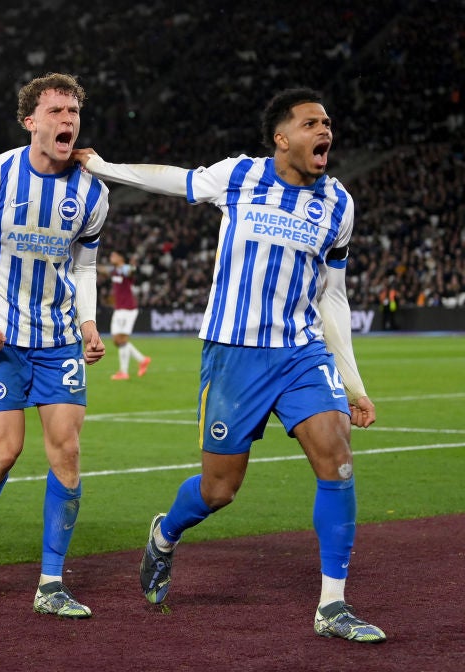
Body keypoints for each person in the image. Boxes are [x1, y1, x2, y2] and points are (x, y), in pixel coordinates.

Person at [73, 87, 386, 642]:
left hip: (301, 351)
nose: (326, 132)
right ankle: (165, 535)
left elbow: (332, 295)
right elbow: (173, 179)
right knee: (220, 490)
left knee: (336, 457)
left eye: (329, 123)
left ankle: (332, 604)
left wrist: (355, 383)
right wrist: (102, 166)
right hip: (234, 353)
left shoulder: (337, 203)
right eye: (312, 123)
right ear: (281, 137)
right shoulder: (240, 176)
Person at [0, 72, 109, 618]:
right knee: (5, 452)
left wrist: (89, 323)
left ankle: (51, 582)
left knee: (66, 452)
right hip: (2, 340)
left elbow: (84, 266)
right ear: (30, 121)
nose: (68, 121)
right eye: (57, 111)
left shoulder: (92, 190)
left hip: (59, 339)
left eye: (74, 112)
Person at [102, 250, 151, 380]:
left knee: (121, 339)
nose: (111, 257)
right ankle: (141, 360)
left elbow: (131, 272)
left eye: (114, 255)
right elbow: (105, 271)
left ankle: (124, 372)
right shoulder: (114, 271)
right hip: (119, 309)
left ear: (121, 257)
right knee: (117, 340)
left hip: (128, 309)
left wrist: (133, 266)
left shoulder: (125, 269)